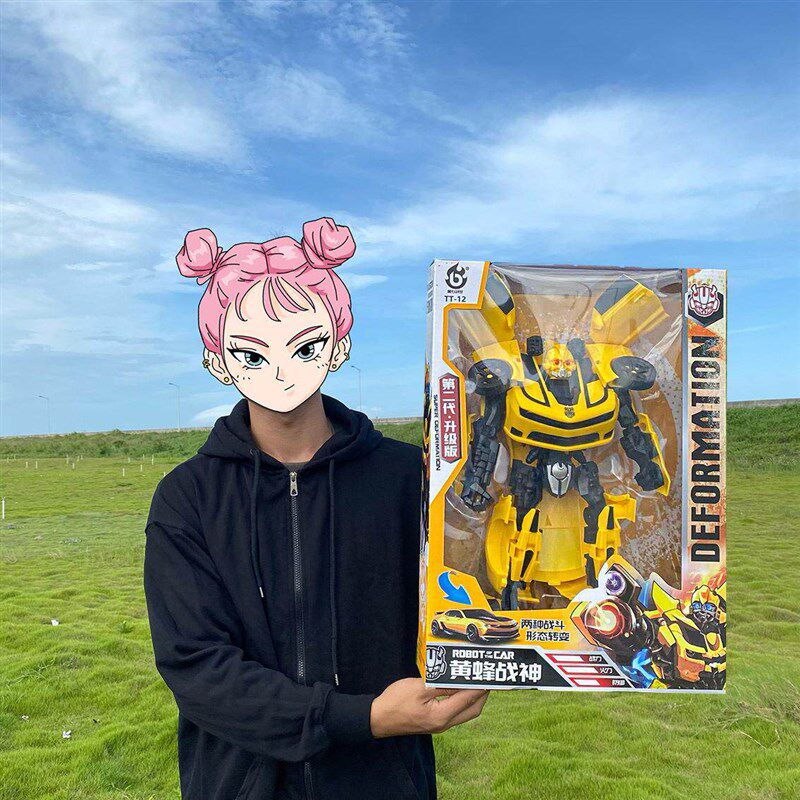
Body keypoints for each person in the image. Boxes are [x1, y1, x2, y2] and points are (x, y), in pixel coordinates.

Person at [144, 218, 488, 800]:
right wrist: (363, 718)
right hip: (236, 784)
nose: (282, 370)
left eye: (304, 346)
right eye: (251, 353)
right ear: (217, 360)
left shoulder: (411, 479)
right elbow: (196, 666)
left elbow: (473, 594)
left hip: (383, 784)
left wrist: (493, 651)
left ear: (339, 344)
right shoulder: (188, 497)